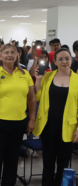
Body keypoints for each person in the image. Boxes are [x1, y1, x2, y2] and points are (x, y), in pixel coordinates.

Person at [0, 44, 36, 186]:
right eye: (6, 52)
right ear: (0, 55)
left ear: (18, 55)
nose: (10, 55)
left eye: (13, 52)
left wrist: (32, 119)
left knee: (12, 159)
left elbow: (31, 98)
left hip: (18, 123)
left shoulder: (24, 74)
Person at [33, 48, 78, 186]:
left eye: (67, 58)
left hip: (68, 126)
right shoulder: (48, 76)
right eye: (61, 59)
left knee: (63, 160)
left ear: (71, 59)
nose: (64, 61)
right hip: (48, 125)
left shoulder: (77, 79)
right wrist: (39, 80)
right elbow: (38, 96)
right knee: (48, 159)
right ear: (55, 62)